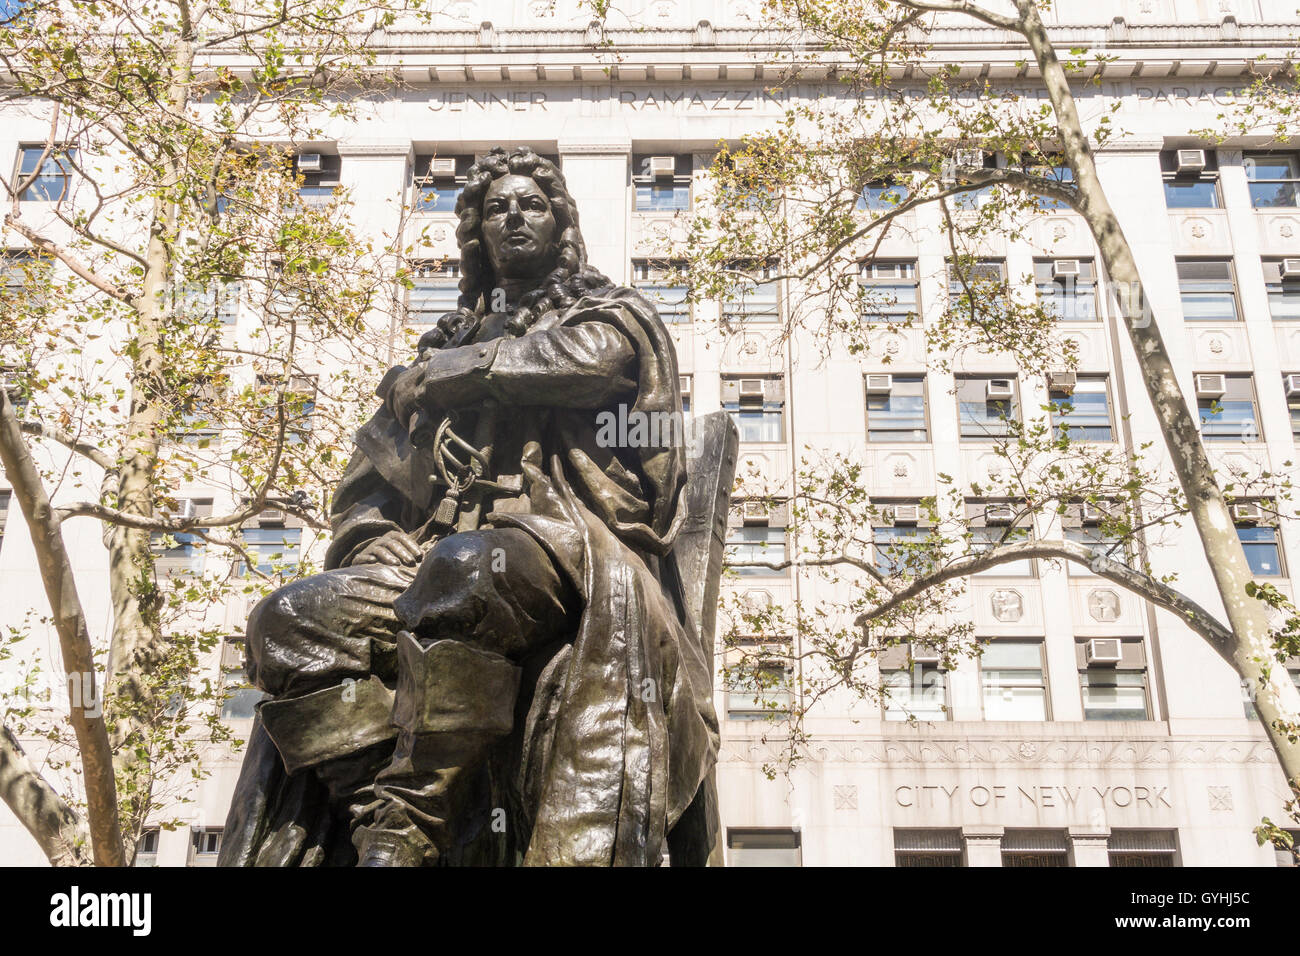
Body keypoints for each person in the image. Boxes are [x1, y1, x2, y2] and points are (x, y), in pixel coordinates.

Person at [221, 146, 718, 867]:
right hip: (433, 564)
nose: (514, 216)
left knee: (464, 569)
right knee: (287, 622)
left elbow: (595, 365)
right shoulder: (436, 352)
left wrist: (458, 375)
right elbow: (366, 488)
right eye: (497, 207)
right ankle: (384, 821)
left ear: (561, 225)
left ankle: (408, 825)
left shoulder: (608, 317)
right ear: (477, 233)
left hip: (565, 547)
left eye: (533, 204)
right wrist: (366, 538)